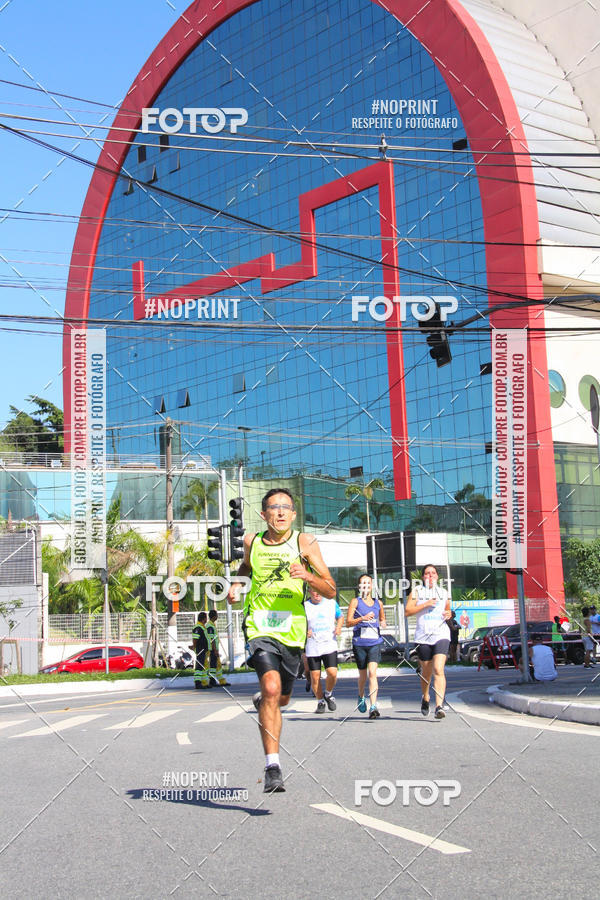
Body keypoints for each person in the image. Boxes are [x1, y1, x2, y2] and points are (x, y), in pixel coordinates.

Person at [228, 488, 336, 793]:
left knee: (281, 698)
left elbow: (330, 589)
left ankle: (266, 702)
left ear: (293, 514)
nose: (279, 512)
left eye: (285, 508)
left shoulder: (305, 542)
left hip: (292, 630)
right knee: (272, 687)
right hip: (259, 624)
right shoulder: (252, 542)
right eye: (273, 508)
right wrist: (237, 584)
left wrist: (308, 576)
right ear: (263, 515)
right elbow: (247, 566)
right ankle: (272, 766)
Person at [405, 564, 451, 719]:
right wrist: (425, 604)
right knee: (426, 673)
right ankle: (425, 697)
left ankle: (439, 706)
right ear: (423, 577)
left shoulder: (444, 592)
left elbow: (448, 608)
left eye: (433, 573)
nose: (430, 576)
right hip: (423, 637)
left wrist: (448, 613)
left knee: (438, 669)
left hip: (441, 634)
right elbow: (407, 611)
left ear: (437, 576)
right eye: (427, 573)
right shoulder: (417, 592)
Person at [346, 574, 386, 719]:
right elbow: (348, 622)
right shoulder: (355, 602)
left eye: (368, 583)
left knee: (372, 673)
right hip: (360, 643)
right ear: (359, 586)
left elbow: (382, 619)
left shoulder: (378, 603)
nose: (366, 586)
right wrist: (362, 618)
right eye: (363, 583)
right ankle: (361, 696)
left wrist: (383, 623)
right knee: (363, 675)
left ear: (372, 586)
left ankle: (373, 706)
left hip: (375, 642)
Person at [304, 587, 343, 713]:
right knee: (315, 677)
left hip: (328, 643)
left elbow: (340, 616)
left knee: (332, 673)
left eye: (319, 590)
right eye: (313, 591)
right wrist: (305, 632)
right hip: (313, 645)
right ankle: (320, 701)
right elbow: (298, 623)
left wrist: (338, 627)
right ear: (309, 591)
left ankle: (328, 693)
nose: (317, 593)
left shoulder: (331, 603)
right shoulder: (304, 606)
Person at [206, 610, 230, 686]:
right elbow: (211, 639)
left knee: (217, 665)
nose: (217, 616)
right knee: (213, 666)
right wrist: (215, 650)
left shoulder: (212, 625)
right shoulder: (210, 626)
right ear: (214, 616)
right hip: (212, 649)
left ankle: (221, 681)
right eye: (216, 615)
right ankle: (212, 681)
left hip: (214, 649)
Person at [191, 612, 210, 689]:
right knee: (199, 666)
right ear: (203, 619)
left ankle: (204, 683)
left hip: (203, 649)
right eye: (206, 618)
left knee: (204, 666)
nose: (206, 619)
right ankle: (197, 683)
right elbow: (195, 639)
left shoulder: (202, 627)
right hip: (200, 649)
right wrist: (194, 646)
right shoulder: (198, 627)